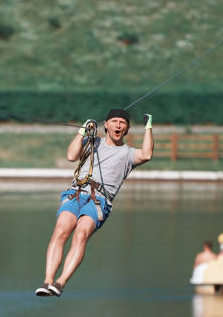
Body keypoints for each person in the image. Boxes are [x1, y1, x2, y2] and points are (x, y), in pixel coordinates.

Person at [35, 109, 153, 297]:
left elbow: (146, 154)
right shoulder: (92, 142)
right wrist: (82, 130)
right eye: (114, 121)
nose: (118, 125)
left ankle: (60, 283)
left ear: (127, 129)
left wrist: (148, 127)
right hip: (76, 193)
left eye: (122, 123)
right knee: (61, 231)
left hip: (99, 200)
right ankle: (47, 280)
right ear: (105, 125)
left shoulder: (128, 154)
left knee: (80, 234)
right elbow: (71, 156)